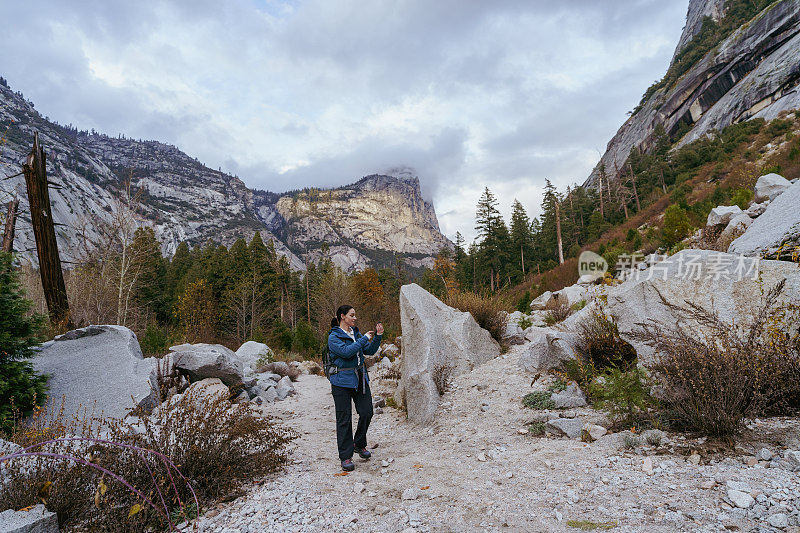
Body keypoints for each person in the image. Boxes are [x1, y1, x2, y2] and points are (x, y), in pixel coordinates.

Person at [327, 305, 383, 471]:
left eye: (355, 315)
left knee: (367, 412)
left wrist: (378, 337)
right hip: (341, 382)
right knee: (344, 419)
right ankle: (345, 457)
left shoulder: (355, 333)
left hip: (359, 379)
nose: (355, 318)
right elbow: (347, 352)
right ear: (342, 316)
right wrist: (364, 339)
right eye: (352, 315)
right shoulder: (334, 337)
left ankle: (359, 444)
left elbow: (370, 351)